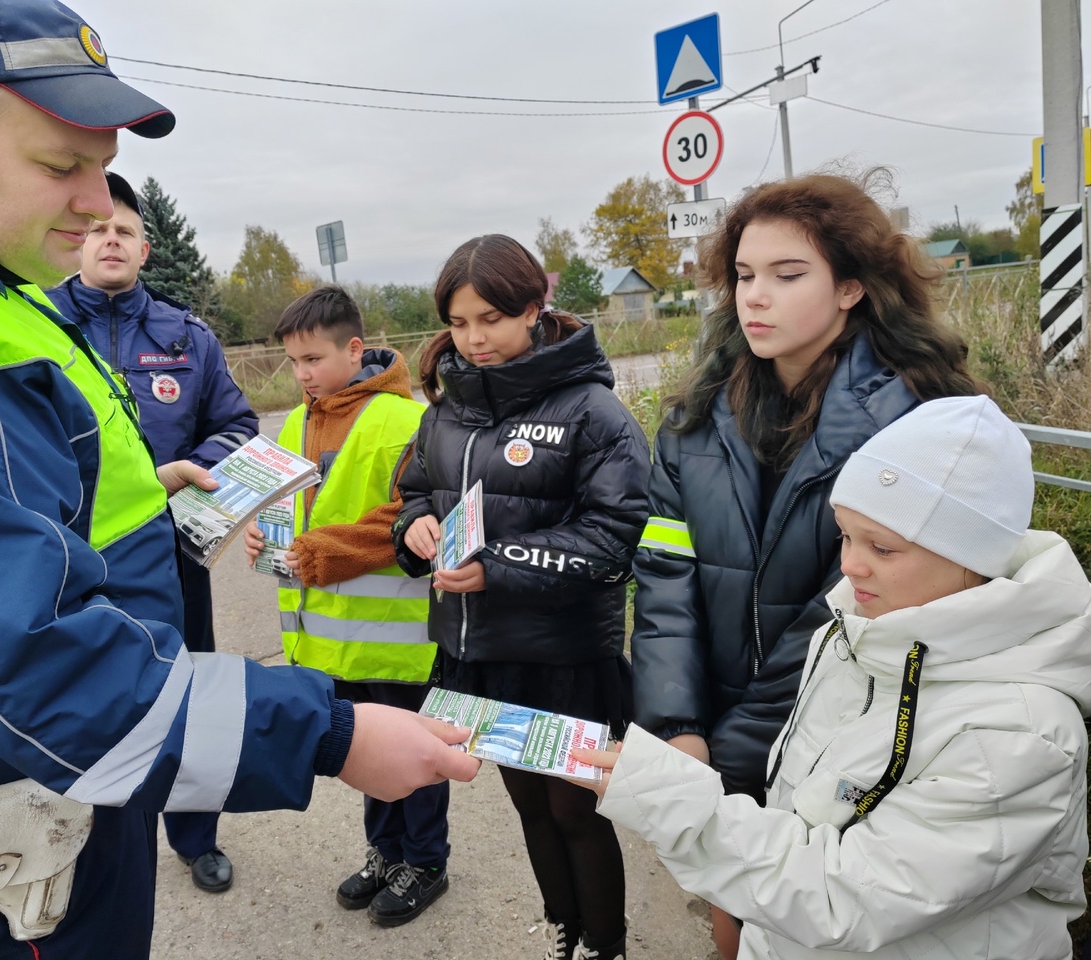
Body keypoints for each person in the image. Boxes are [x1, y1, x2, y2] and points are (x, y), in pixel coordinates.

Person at [0, 1, 477, 957]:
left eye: (103, 162)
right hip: (6, 849)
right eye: (62, 165)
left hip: (56, 801)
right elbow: (29, 667)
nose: (98, 203)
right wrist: (330, 737)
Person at [577, 396, 1091, 959]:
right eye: (845, 535)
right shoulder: (860, 631)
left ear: (972, 555)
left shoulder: (1018, 732)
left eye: (883, 547)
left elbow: (848, 895)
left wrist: (670, 801)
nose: (849, 565)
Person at [627, 173, 981, 957]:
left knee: (811, 919)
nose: (757, 298)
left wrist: (731, 748)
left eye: (788, 276)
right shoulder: (689, 423)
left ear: (852, 286)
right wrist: (676, 724)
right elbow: (663, 580)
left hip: (846, 737)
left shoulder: (916, 419)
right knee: (732, 912)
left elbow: (852, 604)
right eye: (745, 276)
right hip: (714, 727)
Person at [393, 235, 650, 960]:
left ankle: (607, 943)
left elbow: (614, 536)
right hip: (480, 654)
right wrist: (414, 529)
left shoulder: (594, 411)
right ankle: (565, 932)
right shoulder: (443, 409)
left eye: (492, 319)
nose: (475, 339)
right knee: (529, 807)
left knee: (575, 809)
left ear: (535, 309)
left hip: (564, 655)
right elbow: (413, 494)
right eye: (459, 321)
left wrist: (498, 565)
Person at [46, 171, 257, 893]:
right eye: (99, 228)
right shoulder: (33, 328)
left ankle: (196, 836)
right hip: (72, 563)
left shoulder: (187, 337)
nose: (110, 238)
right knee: (84, 698)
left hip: (173, 558)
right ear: (76, 242)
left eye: (124, 231)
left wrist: (191, 470)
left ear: (144, 248)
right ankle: (90, 841)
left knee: (191, 691)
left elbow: (237, 425)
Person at [241, 284, 448, 926]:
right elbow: (288, 507)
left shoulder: (405, 421)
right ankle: (385, 854)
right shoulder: (296, 421)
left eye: (313, 360)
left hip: (397, 640)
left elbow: (414, 513)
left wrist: (326, 552)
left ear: (354, 350)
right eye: (293, 363)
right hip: (327, 640)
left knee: (415, 754)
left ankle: (427, 862)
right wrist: (258, 531)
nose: (301, 375)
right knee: (365, 754)